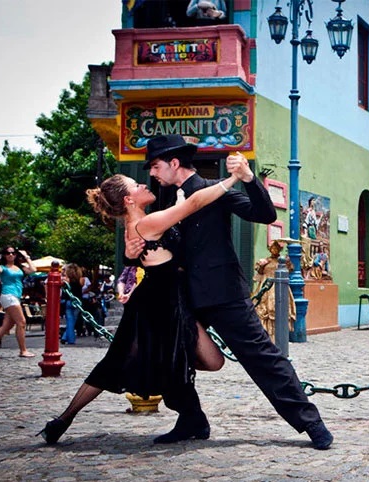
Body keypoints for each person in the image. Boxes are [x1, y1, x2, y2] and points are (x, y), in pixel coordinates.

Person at [141, 133, 333, 449]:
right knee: (170, 353)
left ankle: (311, 424)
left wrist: (248, 178)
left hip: (223, 292)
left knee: (261, 357)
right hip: (183, 295)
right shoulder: (165, 198)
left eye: (156, 166)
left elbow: (265, 215)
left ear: (174, 163)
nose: (152, 173)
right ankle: (191, 419)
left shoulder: (214, 189)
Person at [37, 172, 232, 445]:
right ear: (129, 200)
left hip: (169, 303)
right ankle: (63, 419)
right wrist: (231, 180)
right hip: (156, 306)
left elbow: (175, 218)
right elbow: (194, 204)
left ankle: (190, 416)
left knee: (196, 361)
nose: (143, 185)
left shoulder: (141, 223)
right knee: (119, 363)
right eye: (136, 185)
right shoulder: (146, 223)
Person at [0, 247, 36, 358]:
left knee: (7, 326)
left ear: (16, 255)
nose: (10, 255)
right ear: (4, 255)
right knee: (21, 322)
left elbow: (33, 270)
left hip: (15, 296)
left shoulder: (20, 267)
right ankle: (23, 350)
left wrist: (26, 257)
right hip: (9, 295)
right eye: (7, 253)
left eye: (13, 253)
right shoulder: (3, 268)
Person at [252, 240, 295, 339]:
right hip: (266, 286)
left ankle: (278, 334)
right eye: (273, 248)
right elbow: (260, 271)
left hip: (279, 286)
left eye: (276, 248)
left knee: (278, 307)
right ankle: (265, 333)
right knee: (263, 308)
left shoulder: (282, 261)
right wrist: (262, 265)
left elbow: (290, 270)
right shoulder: (266, 261)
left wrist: (288, 262)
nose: (274, 250)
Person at [60, 263, 84, 345]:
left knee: (70, 320)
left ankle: (68, 338)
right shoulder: (81, 279)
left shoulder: (66, 280)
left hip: (68, 301)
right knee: (73, 321)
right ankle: (67, 338)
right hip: (77, 301)